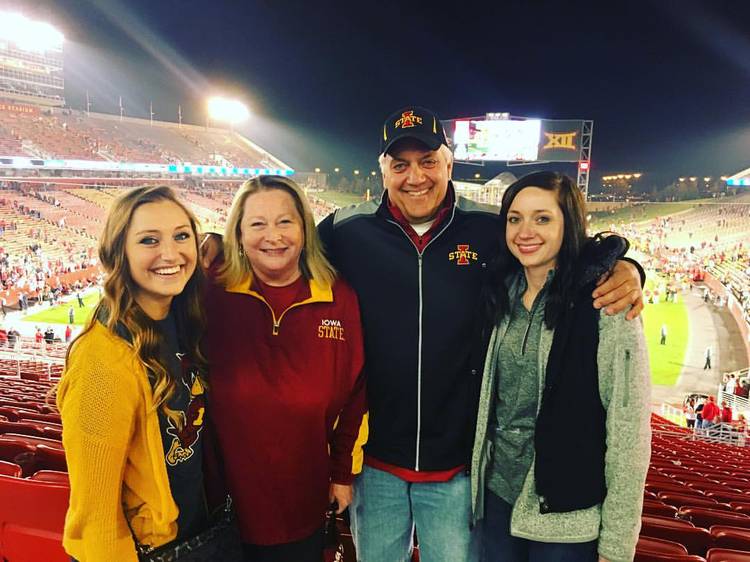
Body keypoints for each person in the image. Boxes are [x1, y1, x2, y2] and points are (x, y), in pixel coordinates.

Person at [200, 106, 645, 562]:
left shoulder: (492, 228)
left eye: (428, 161)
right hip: (373, 465)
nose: (415, 176)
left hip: (456, 468)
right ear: (383, 172)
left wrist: (625, 268)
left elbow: (563, 254)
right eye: (400, 165)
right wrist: (213, 244)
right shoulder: (346, 230)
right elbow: (278, 245)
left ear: (449, 164)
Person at [470, 171, 651, 562]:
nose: (525, 230)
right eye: (514, 218)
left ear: (569, 223)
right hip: (497, 500)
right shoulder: (501, 292)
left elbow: (628, 429)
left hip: (566, 516)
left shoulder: (607, 302)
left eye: (542, 218)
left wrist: (618, 547)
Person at [57, 186, 231, 561]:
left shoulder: (183, 321)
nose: (170, 253)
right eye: (149, 240)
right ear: (119, 251)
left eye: (181, 236)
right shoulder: (101, 360)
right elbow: (95, 515)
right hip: (154, 550)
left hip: (198, 536)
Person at [204, 175, 367, 562]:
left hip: (301, 505)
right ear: (238, 234)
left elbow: (356, 394)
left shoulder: (338, 297)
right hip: (216, 509)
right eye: (257, 223)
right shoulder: (210, 288)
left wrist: (342, 473)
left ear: (305, 228)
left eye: (284, 221)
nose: (272, 236)